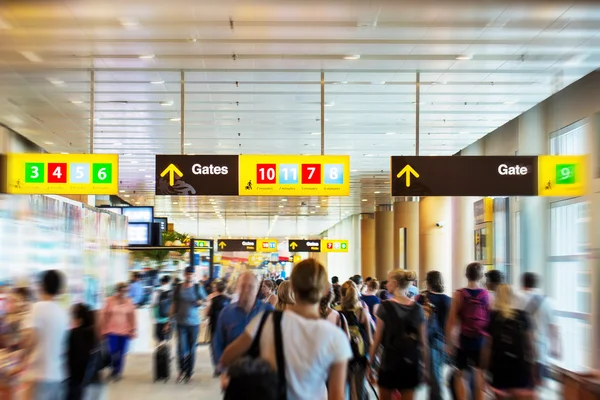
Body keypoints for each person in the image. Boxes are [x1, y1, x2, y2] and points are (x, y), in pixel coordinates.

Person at [220, 259, 352, 400]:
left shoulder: (266, 320)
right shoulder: (336, 337)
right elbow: (337, 395)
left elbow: (227, 356)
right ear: (325, 290)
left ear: (292, 287)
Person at [368, 269, 428, 400]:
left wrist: (370, 364)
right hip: (411, 364)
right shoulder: (418, 309)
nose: (386, 284)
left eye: (388, 281)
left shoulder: (384, 307)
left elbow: (377, 339)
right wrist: (424, 367)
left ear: (395, 283)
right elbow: (423, 342)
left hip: (390, 362)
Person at [18, 270, 69, 400]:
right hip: (58, 376)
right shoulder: (63, 312)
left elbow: (29, 340)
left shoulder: (37, 308)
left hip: (39, 376)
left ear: (41, 286)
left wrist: (23, 356)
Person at [213, 272, 274, 373]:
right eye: (242, 286)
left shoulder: (267, 311)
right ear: (237, 287)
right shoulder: (227, 313)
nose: (246, 290)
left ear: (257, 289)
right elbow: (218, 342)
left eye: (250, 287)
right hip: (234, 374)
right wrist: (222, 370)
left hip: (261, 376)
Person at [482, 284, 537, 398]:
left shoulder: (492, 317)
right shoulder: (523, 316)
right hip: (519, 366)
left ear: (497, 297)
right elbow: (530, 346)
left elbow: (488, 345)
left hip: (498, 367)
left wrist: (484, 369)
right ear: (513, 296)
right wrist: (533, 369)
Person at [446, 262, 490, 400]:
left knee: (460, 374)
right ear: (481, 276)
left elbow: (452, 320)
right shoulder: (486, 295)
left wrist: (449, 343)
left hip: (463, 339)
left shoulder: (459, 294)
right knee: (479, 375)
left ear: (466, 275)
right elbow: (490, 321)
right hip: (480, 340)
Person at [518, 272, 561, 387]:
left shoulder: (517, 300)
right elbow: (554, 328)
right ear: (537, 284)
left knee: (520, 390)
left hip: (520, 353)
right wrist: (556, 347)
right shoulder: (548, 302)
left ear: (522, 283)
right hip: (540, 353)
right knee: (537, 388)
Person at [415, 271, 451, 400]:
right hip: (440, 340)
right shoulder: (447, 300)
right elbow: (449, 324)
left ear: (428, 282)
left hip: (425, 338)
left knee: (433, 373)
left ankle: (435, 396)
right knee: (436, 372)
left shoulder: (421, 298)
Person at [166, 266, 205, 383]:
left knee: (192, 349)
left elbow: (207, 301)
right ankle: (181, 371)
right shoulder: (178, 288)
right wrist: (169, 321)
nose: (190, 276)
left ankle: (189, 373)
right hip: (181, 323)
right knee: (181, 348)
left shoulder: (198, 288)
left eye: (192, 274)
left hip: (194, 323)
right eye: (188, 274)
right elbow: (173, 305)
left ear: (194, 276)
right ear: (185, 275)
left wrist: (200, 302)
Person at [339, 281, 372, 400]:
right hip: (360, 352)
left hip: (341, 353)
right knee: (360, 386)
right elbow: (369, 337)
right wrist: (371, 358)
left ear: (341, 295)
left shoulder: (336, 311)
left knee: (343, 387)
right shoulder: (361, 311)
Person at [101, 282, 137, 381]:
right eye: (122, 290)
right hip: (112, 330)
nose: (123, 292)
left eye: (125, 290)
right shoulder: (109, 301)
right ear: (118, 290)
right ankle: (114, 367)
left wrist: (133, 329)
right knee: (113, 351)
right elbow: (105, 315)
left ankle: (117, 371)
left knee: (122, 353)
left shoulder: (129, 301)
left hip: (125, 331)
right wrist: (103, 329)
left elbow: (132, 317)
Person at [67, 303, 98, 400]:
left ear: (78, 319)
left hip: (73, 376)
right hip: (84, 376)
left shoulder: (74, 334)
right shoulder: (92, 333)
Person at [151, 275, 172, 342]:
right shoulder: (172, 292)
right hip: (168, 319)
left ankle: (160, 350)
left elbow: (153, 305)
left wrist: (153, 318)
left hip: (159, 319)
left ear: (161, 282)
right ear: (169, 282)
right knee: (167, 338)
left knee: (159, 338)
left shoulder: (157, 292)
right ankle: (166, 351)